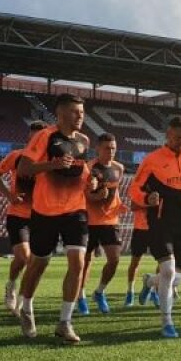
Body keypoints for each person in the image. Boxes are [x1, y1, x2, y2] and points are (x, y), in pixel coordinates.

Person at [15, 93, 91, 344]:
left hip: (75, 210)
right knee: (39, 264)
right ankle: (26, 307)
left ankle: (65, 322)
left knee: (78, 262)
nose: (80, 116)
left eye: (81, 112)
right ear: (60, 114)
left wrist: (93, 181)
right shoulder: (44, 136)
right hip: (45, 210)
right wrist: (52, 165)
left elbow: (81, 170)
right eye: (74, 112)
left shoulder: (83, 141)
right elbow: (24, 169)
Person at [128, 117, 181, 338]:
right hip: (160, 221)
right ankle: (167, 322)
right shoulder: (152, 160)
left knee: (177, 274)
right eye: (178, 137)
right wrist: (146, 198)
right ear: (168, 135)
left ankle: (150, 281)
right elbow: (134, 188)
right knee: (169, 271)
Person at [0, 120, 48, 312]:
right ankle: (17, 292)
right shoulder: (17, 157)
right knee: (25, 258)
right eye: (34, 136)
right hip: (18, 215)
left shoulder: (48, 162)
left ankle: (17, 292)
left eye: (41, 137)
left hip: (41, 216)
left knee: (30, 261)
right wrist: (9, 195)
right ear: (28, 137)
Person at [79, 133, 125, 314]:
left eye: (113, 148)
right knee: (85, 261)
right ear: (97, 149)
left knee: (114, 259)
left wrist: (119, 204)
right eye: (107, 148)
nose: (111, 151)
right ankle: (81, 295)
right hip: (88, 220)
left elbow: (115, 190)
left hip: (110, 220)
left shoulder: (119, 168)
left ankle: (99, 291)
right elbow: (82, 194)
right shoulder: (88, 168)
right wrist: (94, 197)